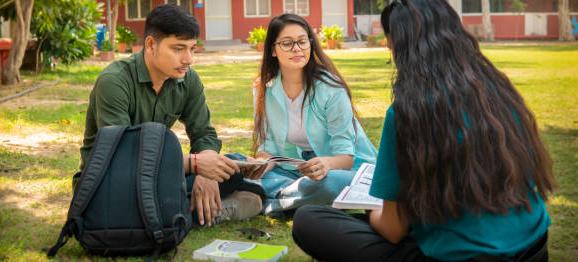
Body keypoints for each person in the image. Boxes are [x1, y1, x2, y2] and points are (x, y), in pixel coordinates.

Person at [292, 0, 556, 261]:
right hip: (533, 248)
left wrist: (371, 208)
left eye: (389, 41)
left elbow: (393, 230)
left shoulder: (408, 113)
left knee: (309, 220)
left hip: (467, 256)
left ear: (399, 45)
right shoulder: (498, 91)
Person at [77, 4, 263, 227]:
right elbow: (122, 155)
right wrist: (196, 164)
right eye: (178, 49)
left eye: (192, 49)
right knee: (221, 176)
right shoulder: (115, 81)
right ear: (150, 44)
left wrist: (207, 172)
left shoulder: (187, 79)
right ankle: (200, 212)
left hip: (156, 174)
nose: (188, 59)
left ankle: (187, 208)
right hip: (111, 181)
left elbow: (203, 132)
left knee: (231, 166)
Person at [240, 14, 378, 215]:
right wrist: (261, 164)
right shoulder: (263, 88)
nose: (297, 48)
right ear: (272, 50)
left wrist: (326, 164)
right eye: (287, 43)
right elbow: (268, 147)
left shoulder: (331, 89)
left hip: (344, 169)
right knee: (233, 163)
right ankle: (286, 193)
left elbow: (346, 157)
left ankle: (269, 203)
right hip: (294, 170)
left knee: (329, 184)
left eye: (302, 41)